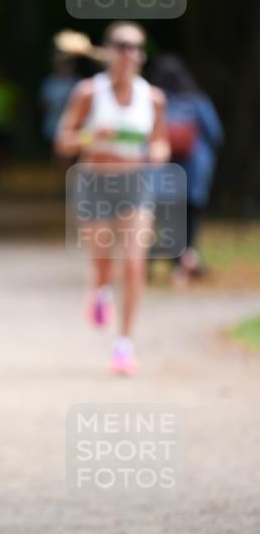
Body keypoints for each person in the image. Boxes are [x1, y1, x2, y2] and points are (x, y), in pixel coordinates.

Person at [55, 21, 170, 375]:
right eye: (122, 45)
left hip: (135, 184)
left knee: (134, 263)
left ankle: (124, 345)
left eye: (136, 46)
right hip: (95, 184)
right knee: (103, 262)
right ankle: (101, 290)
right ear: (108, 51)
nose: (130, 53)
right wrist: (91, 136)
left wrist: (157, 153)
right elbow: (64, 141)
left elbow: (161, 141)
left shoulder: (152, 97)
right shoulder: (89, 92)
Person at [147, 54, 224, 285]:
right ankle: (186, 262)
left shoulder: (156, 103)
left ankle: (174, 263)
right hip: (195, 172)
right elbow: (216, 134)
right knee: (190, 222)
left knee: (169, 221)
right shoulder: (197, 101)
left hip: (164, 174)